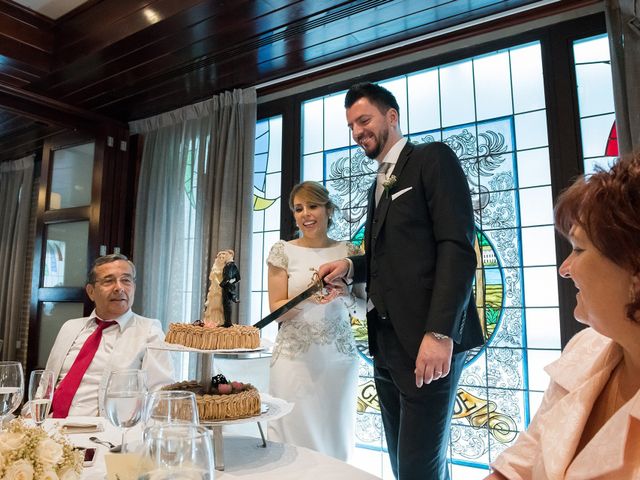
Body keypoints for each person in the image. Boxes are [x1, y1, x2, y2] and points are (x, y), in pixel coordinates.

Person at [318, 82, 484, 479]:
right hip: (386, 345)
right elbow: (388, 258)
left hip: (426, 341)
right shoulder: (379, 182)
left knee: (417, 469)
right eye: (352, 127)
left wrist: (440, 332)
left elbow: (457, 247)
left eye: (364, 120)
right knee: (402, 464)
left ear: (391, 117)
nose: (358, 132)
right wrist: (351, 267)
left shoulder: (432, 159)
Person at [486, 153, 640, 479]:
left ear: (634, 268)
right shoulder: (585, 348)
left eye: (579, 250)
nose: (564, 268)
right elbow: (519, 465)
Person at [267, 181, 362, 461]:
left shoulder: (350, 252)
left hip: (337, 360)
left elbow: (361, 308)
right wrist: (309, 294)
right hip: (294, 359)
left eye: (313, 206)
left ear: (328, 210)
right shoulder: (282, 251)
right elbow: (276, 311)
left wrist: (344, 295)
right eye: (299, 209)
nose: (306, 214)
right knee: (290, 433)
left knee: (334, 434)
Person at [46, 253, 174, 418]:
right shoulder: (70, 327)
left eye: (126, 280)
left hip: (105, 434)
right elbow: (47, 382)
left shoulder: (149, 330)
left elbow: (161, 393)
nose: (119, 288)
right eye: (109, 281)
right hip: (50, 428)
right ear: (91, 292)